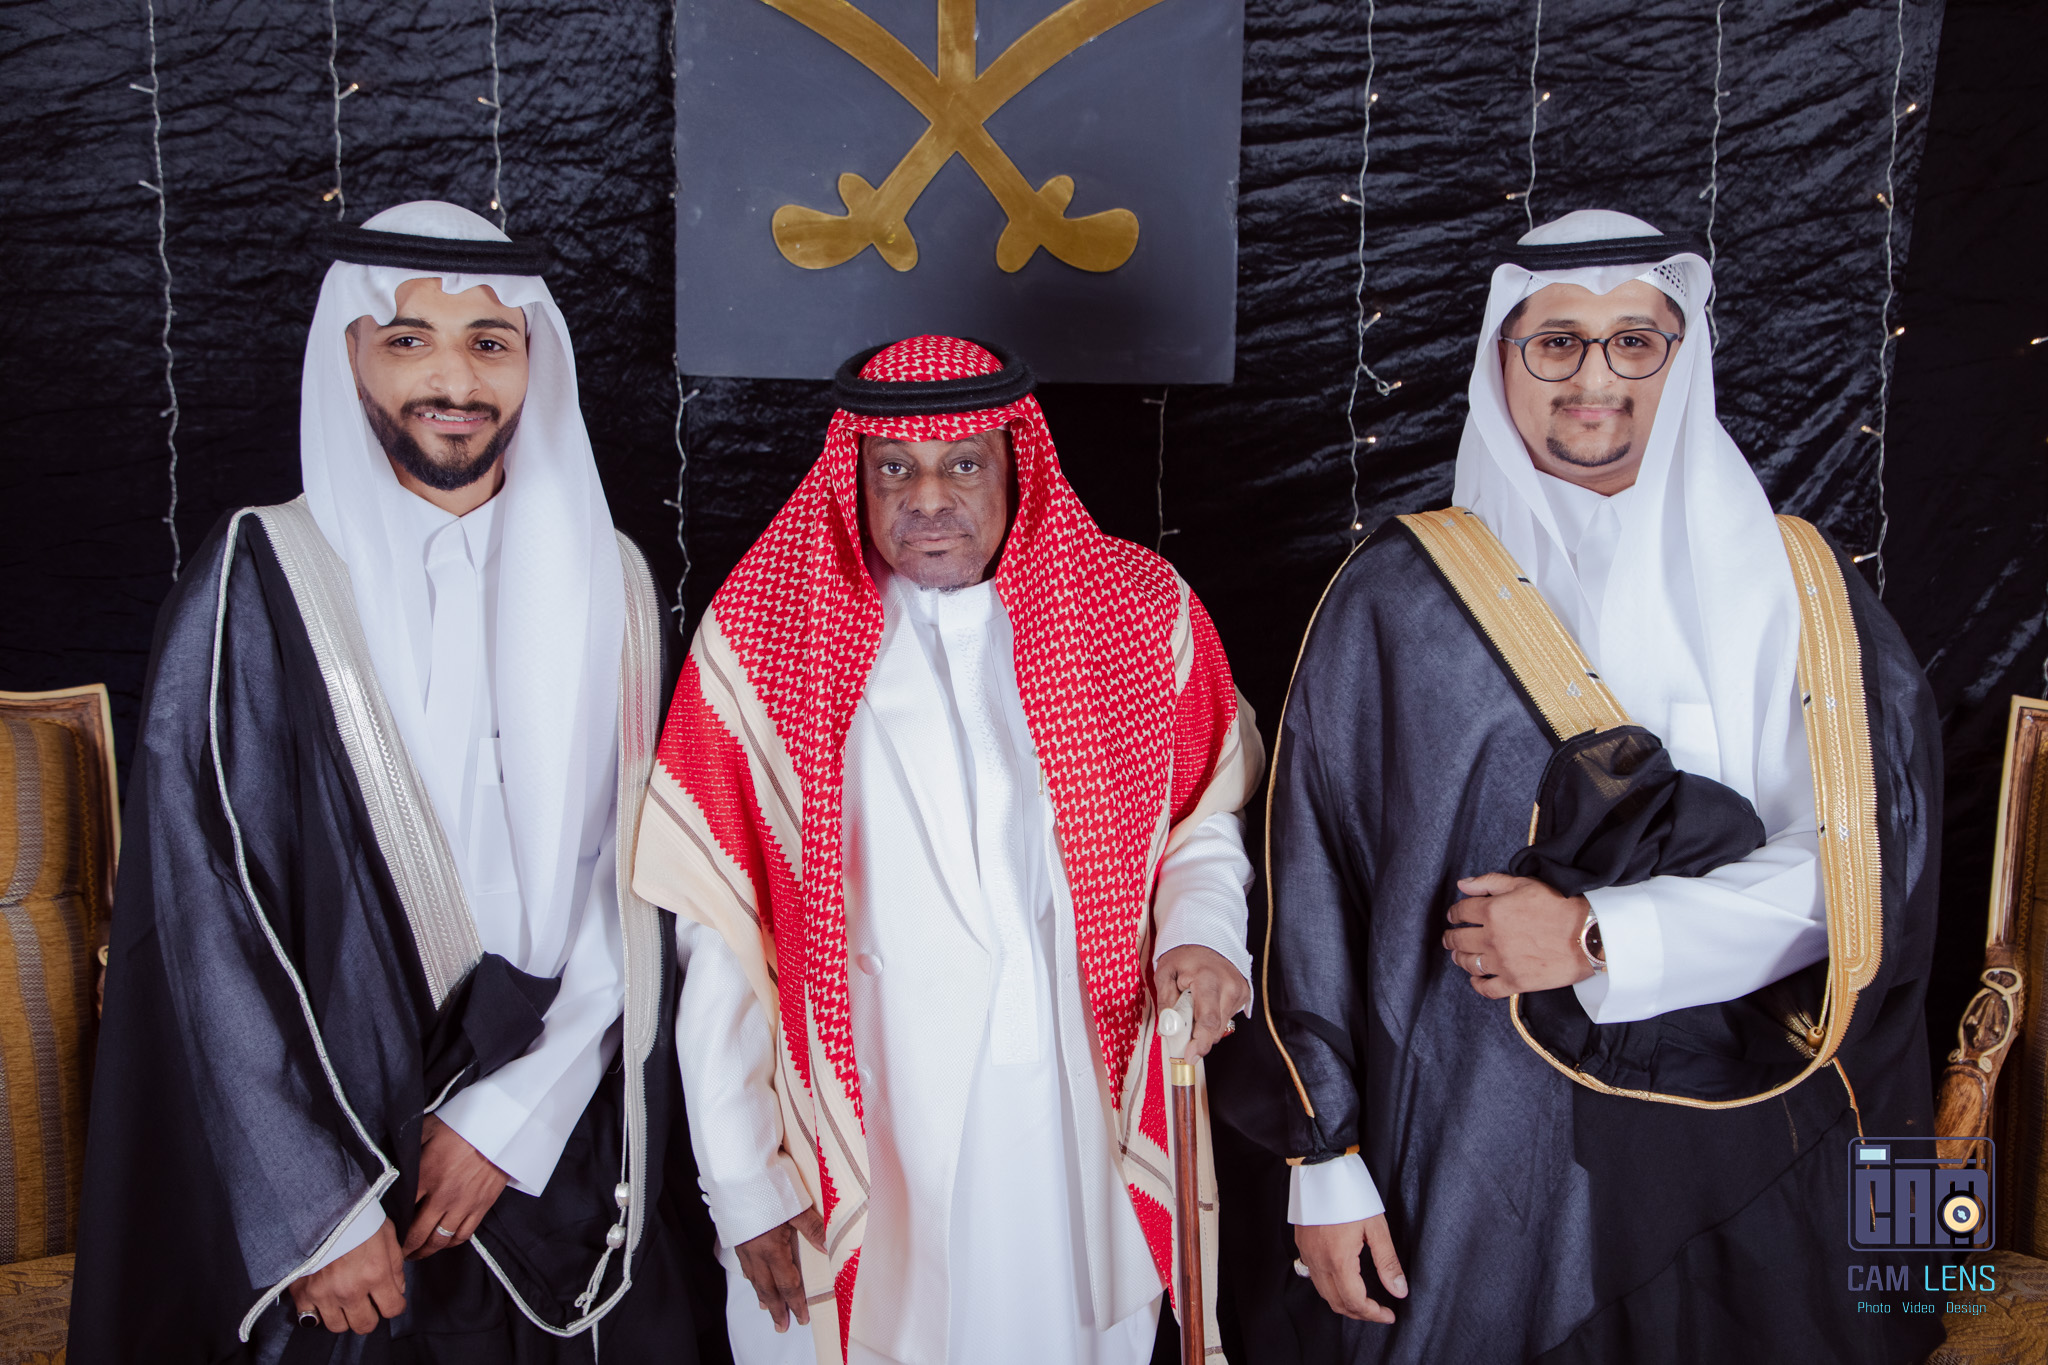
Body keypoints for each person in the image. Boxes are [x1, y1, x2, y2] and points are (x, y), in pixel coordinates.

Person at [1237, 210, 1943, 1364]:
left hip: (1758, 1146)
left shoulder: (1798, 586)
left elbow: (1867, 871)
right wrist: (1321, 1159)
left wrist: (1597, 935)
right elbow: (1310, 882)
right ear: (1500, 361)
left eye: (1633, 341)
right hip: (1477, 1148)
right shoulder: (1398, 594)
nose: (1594, 378)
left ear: (1680, 358)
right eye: (1556, 341)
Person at [70, 201, 709, 1363]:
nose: (451, 380)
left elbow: (636, 881)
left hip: (552, 1148)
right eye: (408, 340)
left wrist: (512, 1116)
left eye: (488, 342)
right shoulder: (263, 574)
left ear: (532, 361)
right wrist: (313, 1210)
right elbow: (205, 919)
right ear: (351, 356)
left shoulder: (609, 580)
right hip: (345, 1170)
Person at [631, 335, 1262, 1364]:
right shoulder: (763, 633)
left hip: (1067, 1121)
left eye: (962, 464)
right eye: (894, 470)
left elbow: (1197, 819)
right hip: (864, 1123)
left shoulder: (1135, 611)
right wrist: (742, 1180)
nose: (928, 499)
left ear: (1017, 465)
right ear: (856, 478)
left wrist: (1202, 931)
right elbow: (721, 933)